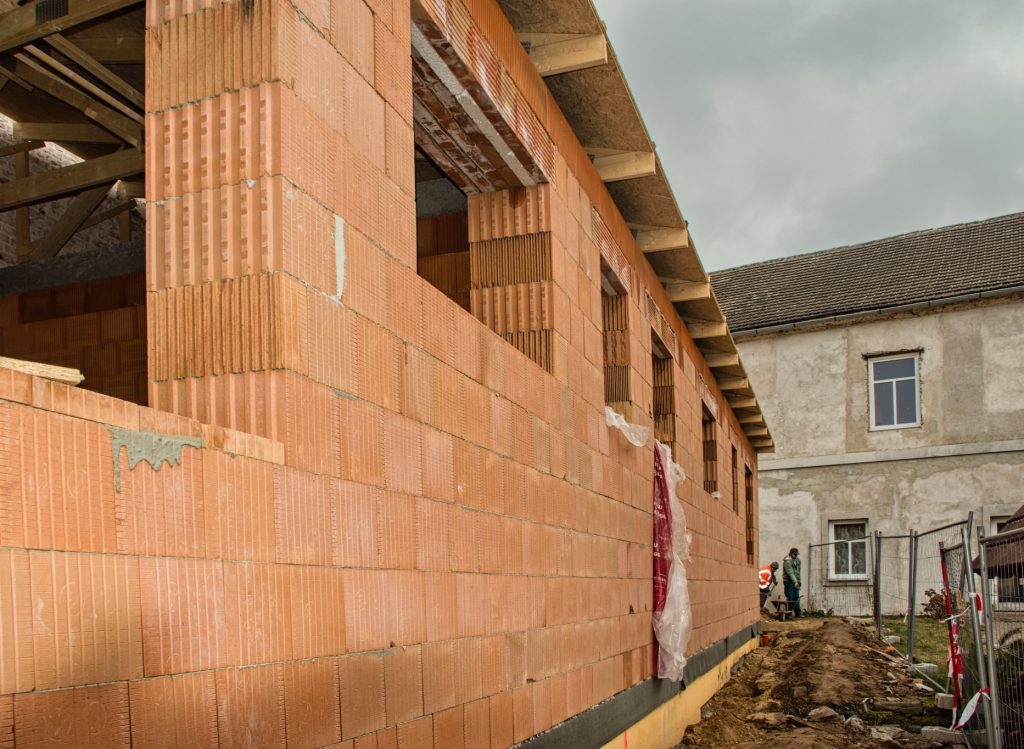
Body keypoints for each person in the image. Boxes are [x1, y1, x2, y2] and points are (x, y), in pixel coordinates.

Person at [783, 547, 802, 617]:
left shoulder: (798, 560)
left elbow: (798, 572)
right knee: (790, 597)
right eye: (795, 554)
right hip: (788, 581)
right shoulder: (787, 561)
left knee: (796, 597)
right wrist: (795, 581)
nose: (796, 556)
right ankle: (788, 613)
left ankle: (798, 613)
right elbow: (790, 573)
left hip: (796, 581)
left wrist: (799, 581)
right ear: (791, 554)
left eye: (797, 554)